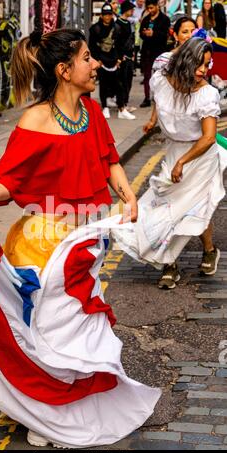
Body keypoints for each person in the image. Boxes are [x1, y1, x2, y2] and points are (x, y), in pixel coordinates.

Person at [0, 28, 161, 448]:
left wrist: (128, 197)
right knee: (55, 333)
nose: (95, 65)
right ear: (63, 69)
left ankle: (65, 405)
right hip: (44, 242)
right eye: (87, 58)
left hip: (87, 239)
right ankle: (45, 410)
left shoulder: (91, 112)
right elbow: (8, 180)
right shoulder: (35, 119)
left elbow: (109, 160)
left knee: (79, 331)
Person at [113, 37, 227, 289]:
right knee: (168, 209)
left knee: (195, 209)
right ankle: (169, 264)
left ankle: (208, 250)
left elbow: (209, 137)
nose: (203, 71)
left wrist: (182, 163)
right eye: (199, 63)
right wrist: (153, 120)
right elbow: (159, 98)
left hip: (199, 157)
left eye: (207, 65)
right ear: (185, 60)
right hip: (174, 151)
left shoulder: (207, 94)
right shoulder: (160, 80)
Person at [89, 2, 132, 119]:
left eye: (109, 14)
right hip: (102, 61)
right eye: (105, 14)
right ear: (102, 15)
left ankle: (121, 109)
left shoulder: (117, 28)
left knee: (119, 85)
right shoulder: (95, 29)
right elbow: (92, 47)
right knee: (103, 85)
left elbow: (120, 45)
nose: (108, 17)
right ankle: (105, 107)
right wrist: (97, 60)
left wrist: (119, 59)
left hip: (114, 60)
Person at [139, 0, 170, 108]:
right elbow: (140, 34)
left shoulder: (164, 19)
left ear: (157, 6)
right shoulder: (146, 19)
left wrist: (154, 33)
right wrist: (144, 33)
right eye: (148, 8)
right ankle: (147, 97)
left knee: (159, 76)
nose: (150, 10)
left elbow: (165, 35)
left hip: (159, 51)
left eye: (152, 8)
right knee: (147, 76)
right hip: (147, 51)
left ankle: (159, 97)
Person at [116, 0, 137, 119]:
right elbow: (118, 42)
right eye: (131, 9)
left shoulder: (128, 23)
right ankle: (121, 106)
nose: (133, 11)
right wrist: (120, 56)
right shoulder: (118, 23)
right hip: (122, 57)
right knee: (122, 82)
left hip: (129, 56)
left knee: (128, 81)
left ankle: (125, 103)